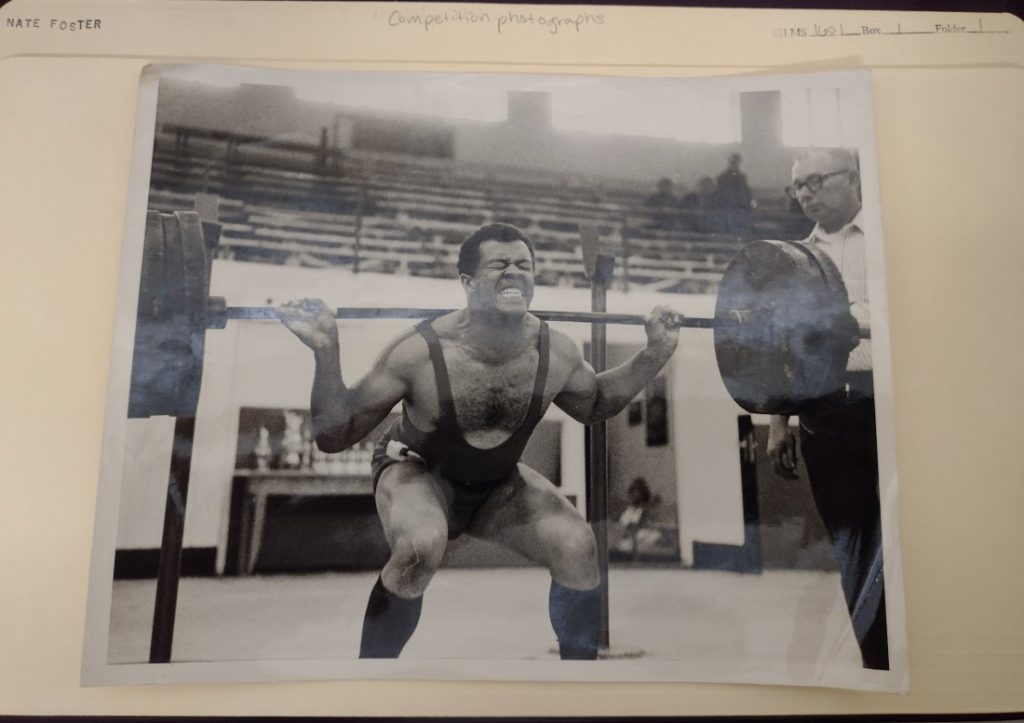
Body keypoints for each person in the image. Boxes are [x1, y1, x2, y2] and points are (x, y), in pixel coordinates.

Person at [279, 222, 680, 660]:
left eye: (524, 265)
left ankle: (576, 684)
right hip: (418, 472)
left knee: (577, 546)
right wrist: (326, 353)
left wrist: (653, 355)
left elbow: (595, 404)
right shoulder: (419, 352)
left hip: (496, 482)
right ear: (467, 284)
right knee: (420, 547)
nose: (514, 273)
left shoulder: (556, 352)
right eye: (499, 265)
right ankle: (373, 682)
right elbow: (335, 436)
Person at [767, 148, 889, 670]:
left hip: (893, 402)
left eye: (816, 180)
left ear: (854, 180)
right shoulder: (792, 259)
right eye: (798, 187)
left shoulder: (889, 239)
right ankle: (880, 665)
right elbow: (781, 345)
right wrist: (778, 421)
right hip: (826, 411)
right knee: (852, 545)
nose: (806, 193)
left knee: (910, 537)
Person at [713, 153, 755, 238]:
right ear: (729, 163)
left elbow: (745, 193)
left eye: (736, 162)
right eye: (732, 162)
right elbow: (720, 193)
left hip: (738, 208)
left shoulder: (742, 177)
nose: (734, 164)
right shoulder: (722, 177)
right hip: (725, 207)